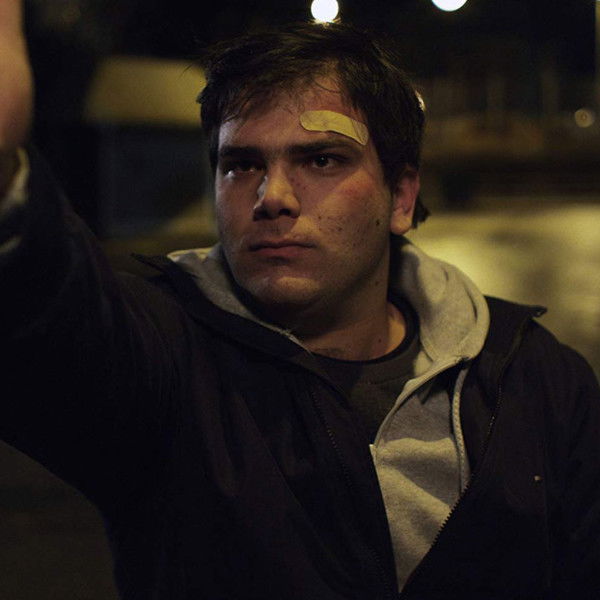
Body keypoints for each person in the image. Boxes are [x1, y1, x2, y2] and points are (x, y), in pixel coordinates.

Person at [1, 2, 600, 598]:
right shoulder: (162, 355)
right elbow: (46, 314)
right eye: (241, 165)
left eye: (321, 159)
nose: (272, 197)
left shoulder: (538, 380)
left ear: (400, 197)